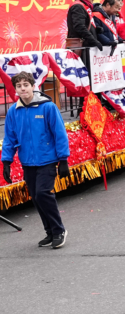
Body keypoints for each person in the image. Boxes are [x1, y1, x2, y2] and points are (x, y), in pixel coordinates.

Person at [2, 72, 71, 249]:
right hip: (28, 162)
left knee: (43, 194)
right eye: (19, 86)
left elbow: (59, 133)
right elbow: (10, 138)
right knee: (36, 198)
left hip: (47, 160)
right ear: (15, 89)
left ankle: (59, 230)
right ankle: (49, 232)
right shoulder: (13, 112)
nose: (23, 88)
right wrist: (6, 162)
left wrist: (63, 160)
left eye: (26, 84)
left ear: (33, 86)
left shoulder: (47, 107)